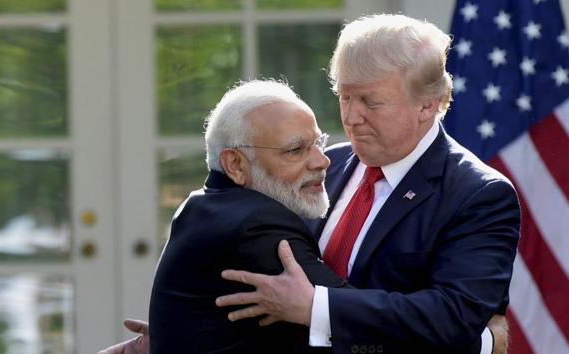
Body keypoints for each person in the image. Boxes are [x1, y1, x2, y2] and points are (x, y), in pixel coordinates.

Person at [214, 14, 520, 354]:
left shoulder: (479, 195)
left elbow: (453, 318)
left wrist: (318, 308)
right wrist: (186, 333)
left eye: (370, 102)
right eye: (344, 97)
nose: (351, 117)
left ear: (426, 105)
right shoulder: (327, 164)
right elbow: (262, 279)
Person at [104, 79, 347, 354]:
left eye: (319, 143)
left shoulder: (198, 205)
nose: (322, 160)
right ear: (235, 164)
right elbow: (357, 321)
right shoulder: (259, 225)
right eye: (295, 149)